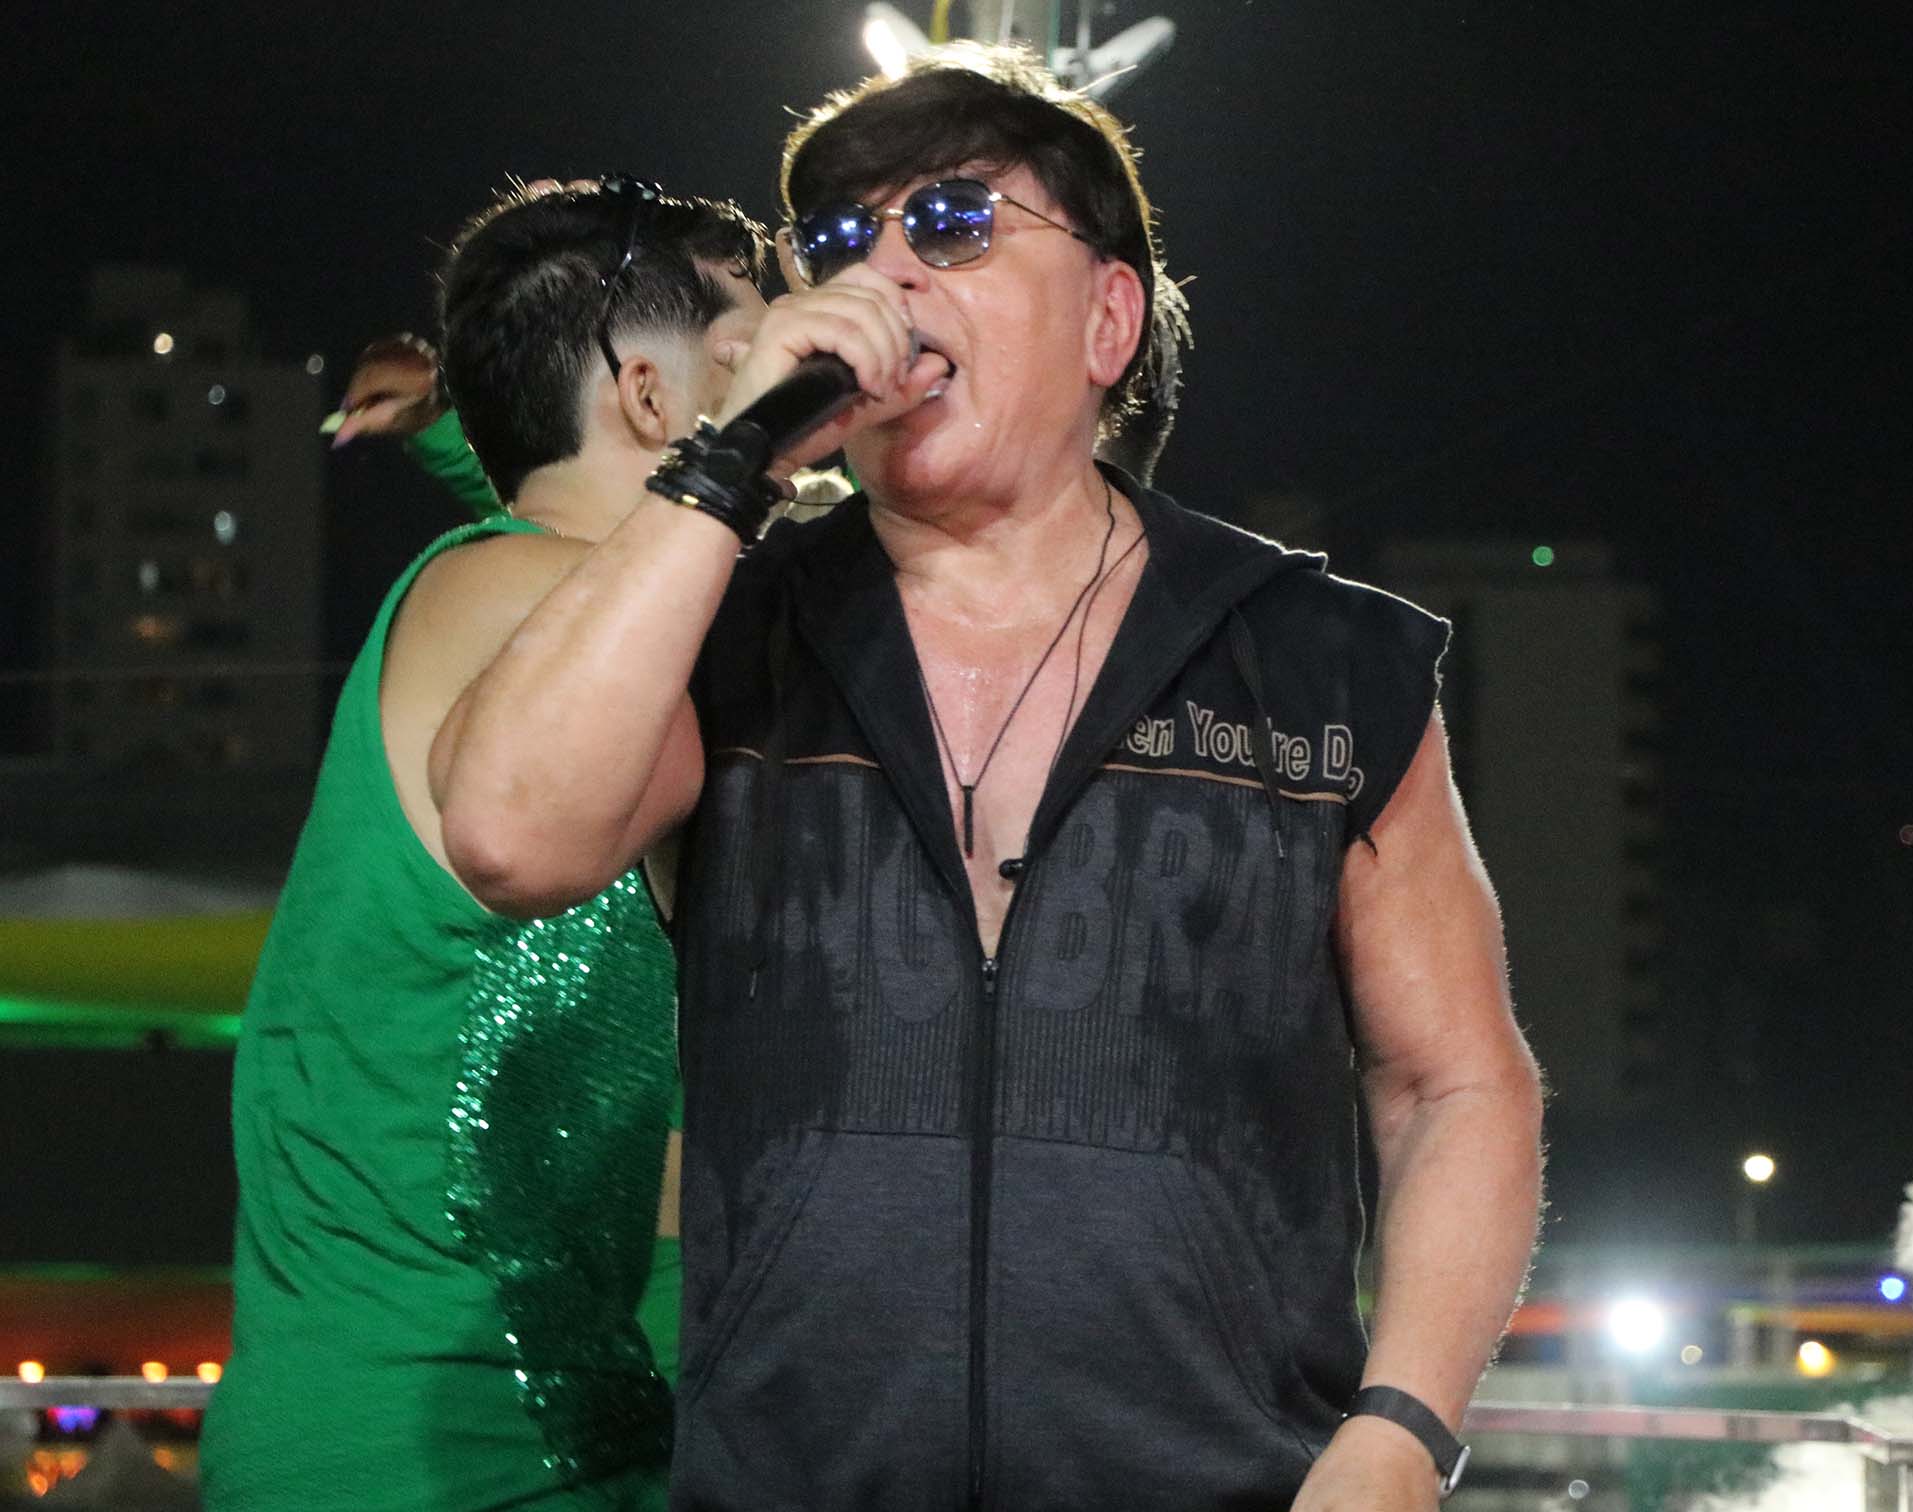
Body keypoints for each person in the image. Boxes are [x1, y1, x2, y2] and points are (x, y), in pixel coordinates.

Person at [437, 47, 1545, 1511]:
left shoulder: (1319, 661)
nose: (887, 272)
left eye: (954, 223)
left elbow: (1455, 1081)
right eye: (843, 240)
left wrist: (1400, 1435)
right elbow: (508, 835)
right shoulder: (724, 628)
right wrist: (732, 458)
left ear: (1108, 318)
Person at [202, 180, 778, 1512]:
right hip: (434, 1454)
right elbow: (656, 630)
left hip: (580, 1421)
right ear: (653, 396)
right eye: (755, 359)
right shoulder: (521, 591)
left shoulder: (550, 589)